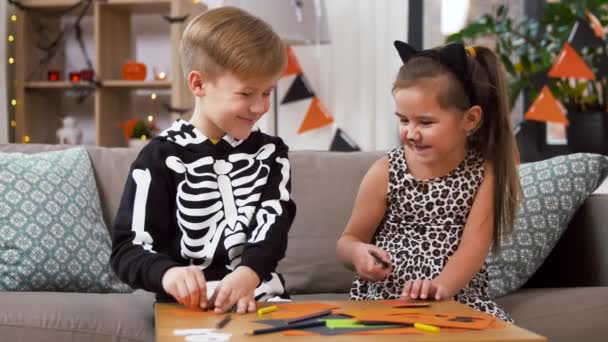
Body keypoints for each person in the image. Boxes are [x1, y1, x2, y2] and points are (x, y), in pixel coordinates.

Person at [111, 7, 296, 314]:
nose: (261, 106)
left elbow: (273, 229)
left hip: (263, 299)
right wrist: (168, 274)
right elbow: (127, 250)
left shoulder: (272, 154)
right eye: (246, 93)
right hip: (189, 307)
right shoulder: (158, 157)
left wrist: (247, 275)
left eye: (268, 92)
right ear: (198, 84)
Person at [336, 41, 521, 321]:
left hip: (453, 299)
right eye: (403, 120)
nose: (411, 133)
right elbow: (348, 240)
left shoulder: (484, 173)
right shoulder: (386, 170)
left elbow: (472, 248)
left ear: (470, 119)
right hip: (386, 301)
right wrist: (358, 254)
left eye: (425, 123)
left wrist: (438, 289)